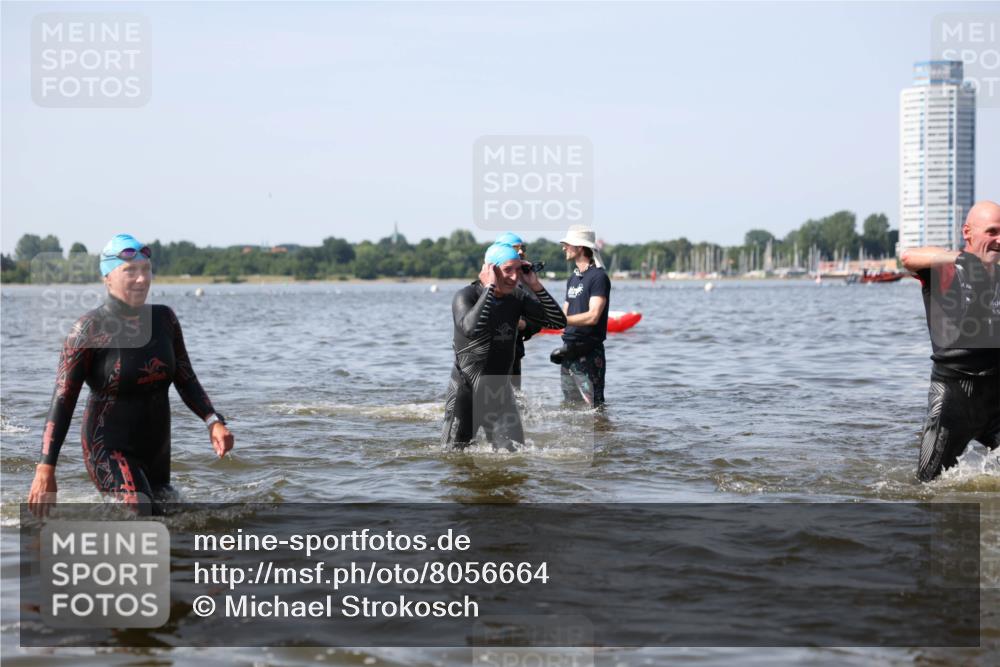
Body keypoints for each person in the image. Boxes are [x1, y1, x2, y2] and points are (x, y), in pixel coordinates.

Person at [27, 234, 234, 515]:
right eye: (130, 271)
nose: (141, 279)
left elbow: (185, 377)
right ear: (107, 277)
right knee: (140, 510)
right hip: (108, 447)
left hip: (156, 448)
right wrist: (45, 468)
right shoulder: (88, 330)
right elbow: (63, 400)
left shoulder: (164, 320)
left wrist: (213, 421)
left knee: (174, 520)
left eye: (146, 270)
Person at [900, 200, 1000, 481]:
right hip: (953, 397)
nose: (998, 239)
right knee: (927, 486)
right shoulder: (946, 271)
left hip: (995, 393)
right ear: (968, 233)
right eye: (992, 232)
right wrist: (960, 258)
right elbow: (909, 257)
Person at [442, 242, 567, 450]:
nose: (515, 277)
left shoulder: (516, 298)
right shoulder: (466, 296)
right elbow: (470, 329)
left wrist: (535, 285)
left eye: (518, 269)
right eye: (508, 270)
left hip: (500, 394)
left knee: (515, 457)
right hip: (465, 393)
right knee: (455, 457)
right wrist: (490, 288)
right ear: (491, 269)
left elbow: (558, 322)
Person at [551, 225, 611, 408]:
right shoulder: (573, 278)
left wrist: (561, 320)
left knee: (593, 408)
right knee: (570, 407)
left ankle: (601, 436)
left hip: (589, 352)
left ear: (580, 247)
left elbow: (593, 316)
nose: (564, 248)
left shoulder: (598, 277)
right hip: (568, 350)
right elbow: (564, 313)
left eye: (567, 244)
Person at [495, 232, 542, 390]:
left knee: (515, 402)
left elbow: (539, 319)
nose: (521, 252)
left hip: (514, 352)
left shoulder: (527, 281)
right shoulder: (486, 282)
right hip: (488, 355)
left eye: (523, 248)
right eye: (516, 248)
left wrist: (523, 325)